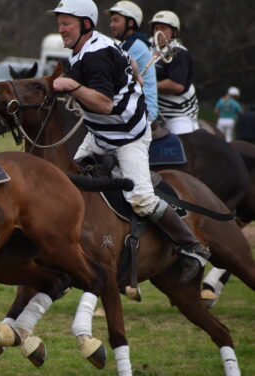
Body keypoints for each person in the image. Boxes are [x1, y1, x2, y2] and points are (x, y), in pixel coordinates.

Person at [48, 0, 210, 286]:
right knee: (68, 175)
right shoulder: (88, 47)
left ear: (86, 24)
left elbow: (104, 103)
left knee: (142, 199)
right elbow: (129, 66)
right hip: (101, 135)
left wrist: (70, 85)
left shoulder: (95, 53)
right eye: (59, 23)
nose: (61, 29)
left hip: (127, 137)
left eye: (66, 23)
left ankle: (192, 247)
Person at [104, 1, 158, 121]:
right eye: (112, 21)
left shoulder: (133, 45)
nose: (111, 25)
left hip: (144, 110)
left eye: (116, 20)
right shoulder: (130, 43)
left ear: (131, 22)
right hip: (135, 105)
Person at [150, 10, 199, 134]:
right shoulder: (149, 49)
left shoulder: (179, 53)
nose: (159, 32)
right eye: (156, 28)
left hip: (178, 114)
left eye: (163, 28)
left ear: (174, 32)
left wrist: (146, 85)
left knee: (181, 143)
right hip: (152, 113)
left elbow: (176, 85)